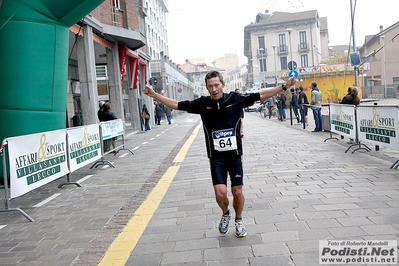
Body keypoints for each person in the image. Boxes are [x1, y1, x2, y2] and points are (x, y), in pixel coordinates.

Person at [144, 71, 296, 238]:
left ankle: (238, 220)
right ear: (207, 88)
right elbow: (177, 104)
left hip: (235, 155)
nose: (214, 89)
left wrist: (284, 86)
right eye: (210, 86)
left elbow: (261, 94)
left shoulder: (235, 99)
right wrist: (154, 95)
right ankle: (225, 213)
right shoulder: (203, 104)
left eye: (216, 85)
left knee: (237, 192)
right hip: (216, 157)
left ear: (223, 84)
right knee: (220, 193)